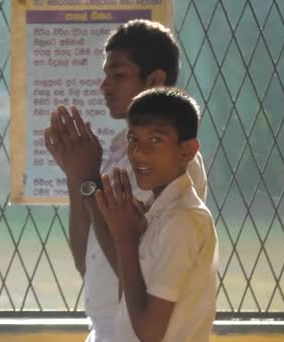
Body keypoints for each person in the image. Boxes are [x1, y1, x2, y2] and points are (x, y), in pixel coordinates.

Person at [44, 19, 208, 341]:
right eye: (105, 75)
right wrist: (77, 177)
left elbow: (133, 273)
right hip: (106, 329)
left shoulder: (172, 166)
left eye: (118, 75)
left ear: (155, 79)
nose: (104, 86)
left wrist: (89, 179)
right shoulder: (121, 151)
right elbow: (87, 263)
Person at [93, 88, 217, 341]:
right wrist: (130, 237)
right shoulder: (155, 213)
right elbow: (129, 302)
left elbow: (150, 334)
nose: (139, 152)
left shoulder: (183, 220)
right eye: (133, 139)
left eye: (156, 140)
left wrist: (125, 240)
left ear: (187, 151)